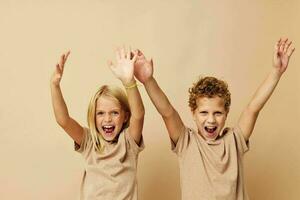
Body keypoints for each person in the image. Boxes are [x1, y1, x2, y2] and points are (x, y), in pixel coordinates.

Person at [133, 38, 295, 199]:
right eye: (204, 113)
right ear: (193, 113)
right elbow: (167, 112)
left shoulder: (234, 141)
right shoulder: (186, 142)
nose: (211, 120)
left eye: (217, 113)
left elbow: (253, 108)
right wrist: (148, 80)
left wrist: (276, 72)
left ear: (226, 113)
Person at [50, 47, 145, 200]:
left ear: (125, 117)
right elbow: (63, 120)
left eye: (114, 113)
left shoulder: (128, 142)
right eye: (100, 113)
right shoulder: (88, 141)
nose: (107, 119)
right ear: (93, 117)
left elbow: (139, 115)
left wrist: (129, 82)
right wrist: (55, 86)